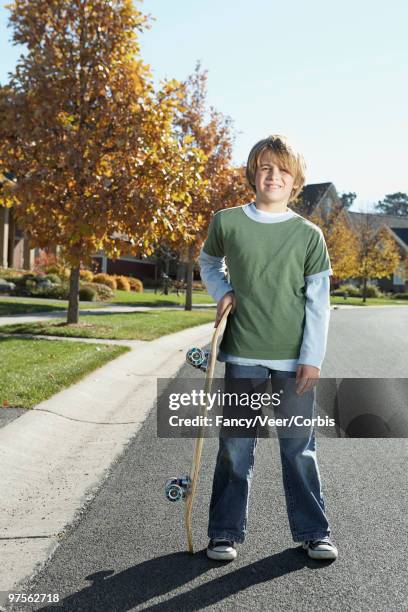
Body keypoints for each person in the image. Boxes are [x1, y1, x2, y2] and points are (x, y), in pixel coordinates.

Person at [199, 134, 338, 562]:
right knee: (235, 447)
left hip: (294, 362)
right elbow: (209, 262)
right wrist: (222, 290)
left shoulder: (309, 235)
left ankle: (313, 531)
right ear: (252, 174)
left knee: (299, 449)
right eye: (264, 167)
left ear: (295, 180)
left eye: (281, 169)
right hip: (243, 354)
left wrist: (312, 358)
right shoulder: (227, 222)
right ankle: (224, 532)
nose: (272, 176)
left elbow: (318, 304)